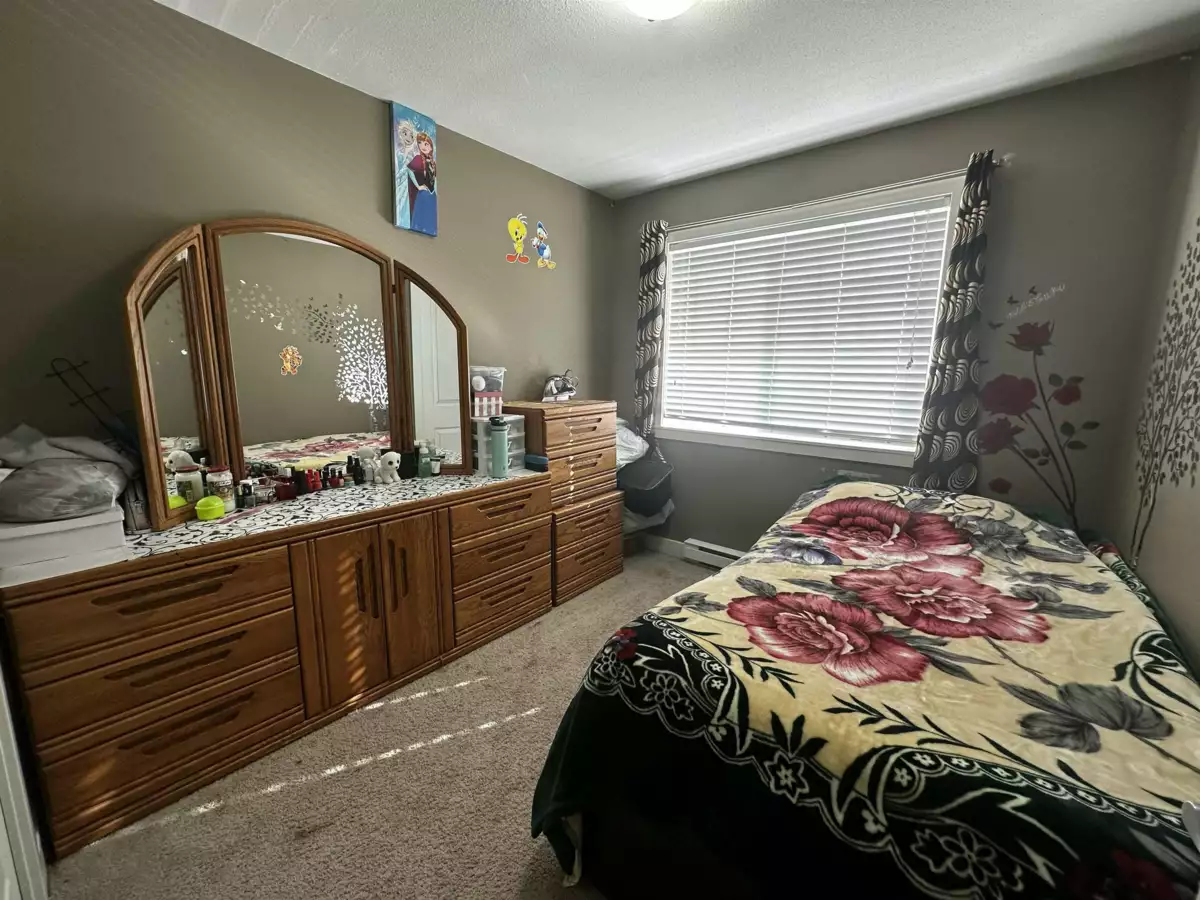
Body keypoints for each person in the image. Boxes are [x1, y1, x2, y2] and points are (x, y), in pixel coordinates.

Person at [407, 131, 437, 235]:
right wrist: (418, 186)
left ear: (431, 146)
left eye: (426, 144)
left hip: (431, 196)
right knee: (420, 218)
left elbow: (434, 178)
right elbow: (409, 170)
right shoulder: (418, 159)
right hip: (422, 195)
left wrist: (435, 192)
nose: (422, 146)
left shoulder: (433, 163)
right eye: (420, 143)